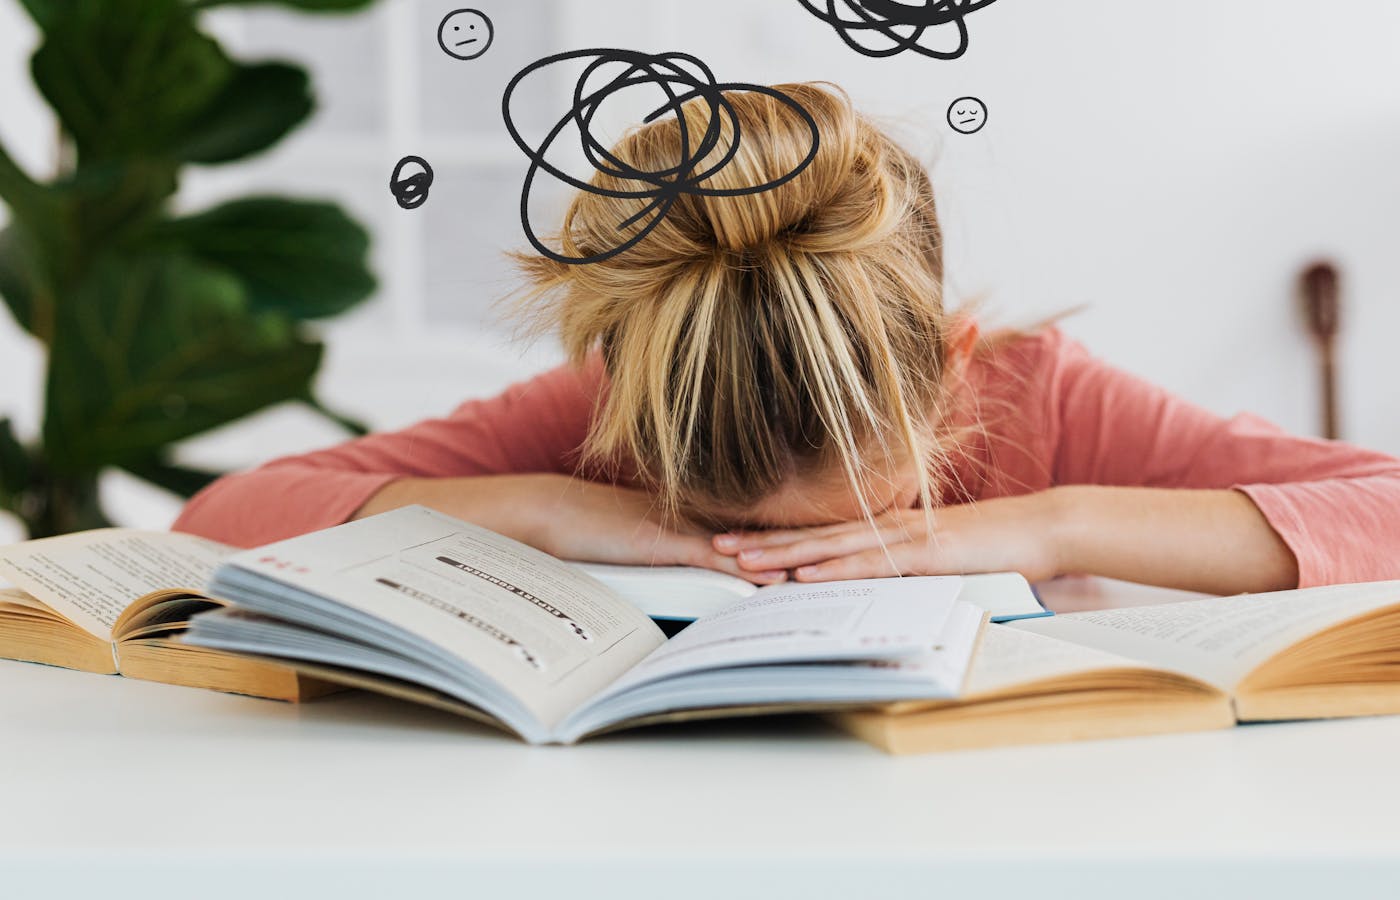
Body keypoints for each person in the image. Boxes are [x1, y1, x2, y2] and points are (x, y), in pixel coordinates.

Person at [173, 83, 1400, 596]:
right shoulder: (600, 415)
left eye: (870, 529)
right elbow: (223, 514)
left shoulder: (1043, 401)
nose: (791, 577)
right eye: (741, 537)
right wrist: (544, 510)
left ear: (953, 365)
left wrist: (1049, 522)